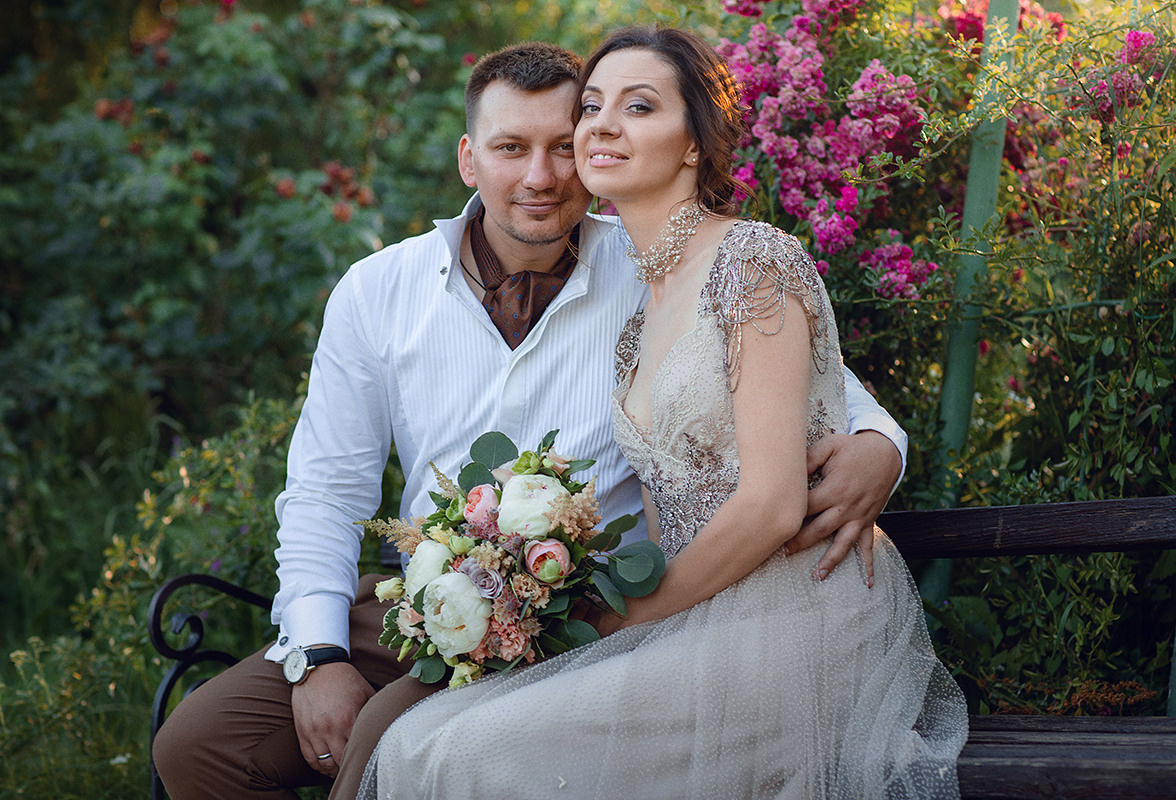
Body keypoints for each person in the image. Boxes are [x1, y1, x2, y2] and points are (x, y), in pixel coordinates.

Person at [152, 40, 909, 800]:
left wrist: (882, 447)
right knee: (198, 750)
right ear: (468, 159)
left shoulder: (650, 270)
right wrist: (318, 655)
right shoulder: (377, 290)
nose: (541, 176)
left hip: (581, 611)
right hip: (424, 601)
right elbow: (325, 492)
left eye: (560, 145)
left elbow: (812, 383)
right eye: (512, 148)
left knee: (393, 740)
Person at [357, 27, 967, 800]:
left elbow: (776, 501)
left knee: (466, 754)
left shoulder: (751, 262)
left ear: (691, 144)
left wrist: (618, 622)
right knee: (416, 741)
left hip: (799, 615)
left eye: (639, 106)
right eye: (592, 106)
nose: (602, 125)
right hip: (696, 619)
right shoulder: (638, 322)